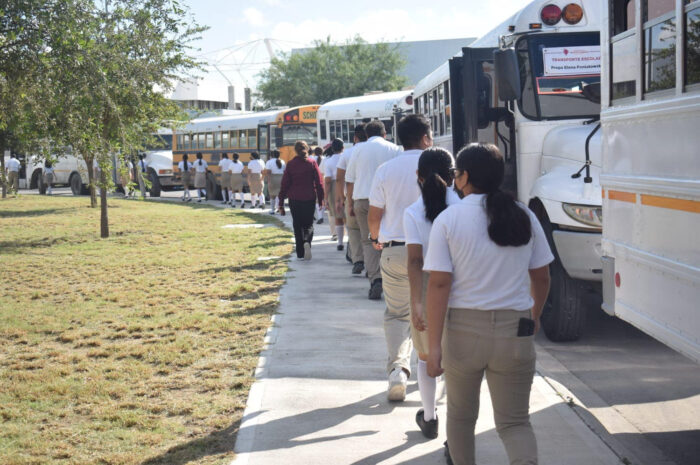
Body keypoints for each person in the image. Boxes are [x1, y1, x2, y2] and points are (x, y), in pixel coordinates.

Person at [424, 143, 553, 465]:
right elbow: (542, 278)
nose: (454, 180)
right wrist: (533, 316)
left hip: (463, 332)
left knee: (461, 418)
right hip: (516, 331)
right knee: (515, 423)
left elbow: (439, 285)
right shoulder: (523, 216)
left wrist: (434, 346)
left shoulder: (449, 219)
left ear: (465, 176)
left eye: (456, 174)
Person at [367, 114, 432, 401]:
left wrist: (374, 238)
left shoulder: (386, 169)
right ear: (426, 137)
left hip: (394, 249)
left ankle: (397, 370)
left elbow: (374, 214)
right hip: (433, 252)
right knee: (434, 313)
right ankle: (431, 368)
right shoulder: (441, 162)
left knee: (397, 314)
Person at [403, 147, 460, 438]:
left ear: (418, 176)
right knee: (458, 358)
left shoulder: (412, 212)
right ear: (454, 176)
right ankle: (456, 423)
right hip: (463, 285)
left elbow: (415, 261)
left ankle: (429, 417)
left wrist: (416, 302)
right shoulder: (463, 205)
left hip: (427, 287)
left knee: (426, 357)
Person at [345, 120, 401, 300]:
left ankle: (375, 279)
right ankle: (390, 278)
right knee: (388, 238)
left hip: (362, 199)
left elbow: (350, 179)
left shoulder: (357, 150)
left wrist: (350, 203)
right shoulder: (394, 149)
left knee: (368, 240)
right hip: (388, 199)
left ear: (366, 135)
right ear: (385, 134)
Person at [278, 141, 324, 260]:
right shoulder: (312, 163)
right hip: (309, 197)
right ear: (307, 149)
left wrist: (281, 203)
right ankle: (307, 241)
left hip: (294, 198)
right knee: (308, 224)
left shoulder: (291, 164)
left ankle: (300, 253)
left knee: (297, 225)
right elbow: (319, 183)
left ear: (295, 151)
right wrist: (321, 199)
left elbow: (284, 184)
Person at [336, 123, 367, 274]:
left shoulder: (347, 154)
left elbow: (340, 178)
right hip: (375, 196)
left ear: (355, 137)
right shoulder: (379, 150)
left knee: (354, 230)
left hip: (353, 196)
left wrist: (341, 198)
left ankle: (358, 260)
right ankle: (373, 264)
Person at [324, 139, 345, 250]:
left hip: (334, 187)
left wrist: (325, 197)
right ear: (343, 147)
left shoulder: (329, 161)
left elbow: (327, 181)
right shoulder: (347, 157)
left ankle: (340, 243)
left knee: (338, 216)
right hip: (348, 185)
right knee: (349, 217)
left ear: (332, 148)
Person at [264, 150, 285, 214]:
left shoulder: (269, 162)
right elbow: (284, 171)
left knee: (272, 195)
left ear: (272, 155)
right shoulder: (283, 161)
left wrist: (268, 180)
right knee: (280, 195)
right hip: (281, 178)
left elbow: (268, 172)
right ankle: (281, 209)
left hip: (273, 178)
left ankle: (272, 210)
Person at [312, 146, 325, 224]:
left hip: (315, 181)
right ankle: (321, 216)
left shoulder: (312, 159)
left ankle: (319, 216)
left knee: (316, 199)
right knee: (323, 199)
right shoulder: (325, 158)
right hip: (324, 180)